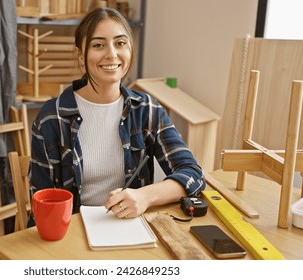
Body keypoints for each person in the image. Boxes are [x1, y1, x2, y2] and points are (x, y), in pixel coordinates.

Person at [29, 7, 205, 221]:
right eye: (98, 45)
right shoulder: (51, 117)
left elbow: (192, 173)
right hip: (71, 231)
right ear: (80, 55)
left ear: (130, 49)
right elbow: (41, 201)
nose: (111, 54)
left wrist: (145, 196)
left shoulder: (147, 109)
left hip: (131, 227)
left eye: (120, 43)